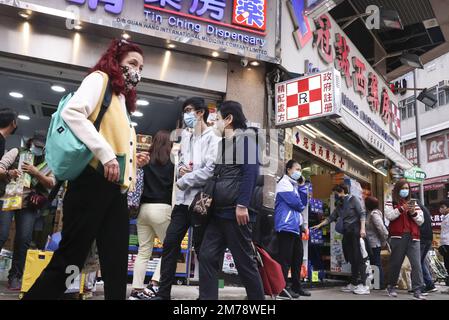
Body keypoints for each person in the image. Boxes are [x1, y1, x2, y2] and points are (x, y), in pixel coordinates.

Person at [23, 39, 150, 300]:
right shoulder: (99, 80)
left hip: (115, 191)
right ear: (116, 62)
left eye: (141, 66)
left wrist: (130, 162)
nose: (137, 71)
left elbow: (111, 137)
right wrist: (106, 155)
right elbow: (73, 112)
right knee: (71, 258)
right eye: (132, 63)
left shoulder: (121, 100)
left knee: (115, 261)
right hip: (91, 183)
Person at [150, 97, 220, 300]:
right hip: (181, 202)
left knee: (202, 251)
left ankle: (207, 296)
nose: (186, 115)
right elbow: (180, 160)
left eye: (189, 110)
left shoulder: (213, 138)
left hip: (201, 202)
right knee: (170, 243)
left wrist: (186, 178)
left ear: (200, 113)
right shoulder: (186, 136)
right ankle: (163, 294)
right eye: (184, 111)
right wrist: (181, 169)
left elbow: (209, 170)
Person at [198, 100, 265, 300]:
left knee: (244, 264)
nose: (213, 123)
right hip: (218, 213)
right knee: (207, 256)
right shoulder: (224, 144)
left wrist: (242, 204)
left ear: (228, 119)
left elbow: (250, 173)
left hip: (236, 214)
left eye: (217, 119)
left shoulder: (247, 140)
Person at [0, 132, 56, 290]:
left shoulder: (48, 162)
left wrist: (36, 172)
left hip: (29, 204)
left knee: (23, 239)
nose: (37, 148)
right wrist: (8, 173)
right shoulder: (16, 152)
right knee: (2, 234)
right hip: (8, 198)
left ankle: (15, 276)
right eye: (36, 145)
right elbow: (0, 168)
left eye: (41, 146)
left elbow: (52, 183)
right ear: (30, 142)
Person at [129, 130, 174, 300]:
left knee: (143, 251)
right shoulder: (172, 162)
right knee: (171, 249)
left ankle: (136, 290)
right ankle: (154, 284)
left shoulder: (146, 159)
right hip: (162, 209)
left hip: (143, 210)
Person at [312, 184, 369, 295]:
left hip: (356, 232)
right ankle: (354, 283)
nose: (336, 195)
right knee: (351, 258)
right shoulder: (339, 204)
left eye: (336, 193)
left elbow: (362, 214)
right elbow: (331, 217)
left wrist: (362, 229)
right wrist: (319, 225)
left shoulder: (354, 199)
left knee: (359, 258)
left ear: (342, 191)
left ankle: (364, 285)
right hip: (347, 233)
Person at [274, 160, 310, 299]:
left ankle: (297, 286)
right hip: (285, 226)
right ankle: (282, 288)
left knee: (297, 259)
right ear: (288, 169)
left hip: (294, 227)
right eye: (297, 169)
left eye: (300, 170)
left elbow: (303, 203)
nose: (299, 172)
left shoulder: (293, 185)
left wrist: (301, 187)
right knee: (285, 259)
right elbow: (298, 204)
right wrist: (300, 192)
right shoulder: (284, 183)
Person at [384, 179, 426, 300]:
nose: (405, 191)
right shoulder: (390, 202)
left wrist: (413, 212)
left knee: (416, 264)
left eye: (407, 188)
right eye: (403, 188)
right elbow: (389, 216)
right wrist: (402, 208)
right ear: (397, 189)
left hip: (414, 237)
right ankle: (391, 286)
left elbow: (421, 221)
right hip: (398, 237)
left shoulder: (414, 203)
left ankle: (417, 290)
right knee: (396, 263)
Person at [364, 196, 388, 290]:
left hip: (374, 243)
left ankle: (380, 284)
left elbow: (382, 229)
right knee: (374, 263)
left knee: (376, 263)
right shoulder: (370, 214)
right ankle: (376, 283)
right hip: (372, 242)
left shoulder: (374, 215)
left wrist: (384, 240)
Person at [418, 200, 437, 293]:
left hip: (421, 239)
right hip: (428, 238)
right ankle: (429, 284)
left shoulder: (417, 209)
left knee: (418, 262)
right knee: (421, 262)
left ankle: (421, 285)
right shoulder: (424, 208)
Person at [438, 200, 449, 287]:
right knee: (447, 265)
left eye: (443, 207)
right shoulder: (445, 217)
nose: (440, 209)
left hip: (448, 244)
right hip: (445, 244)